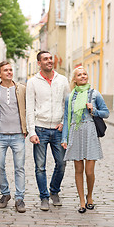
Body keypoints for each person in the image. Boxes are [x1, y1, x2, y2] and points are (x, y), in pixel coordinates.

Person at [61, 66, 109, 213]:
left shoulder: (95, 94)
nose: (83, 76)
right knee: (78, 170)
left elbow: (106, 113)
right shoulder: (70, 97)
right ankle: (82, 201)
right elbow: (66, 118)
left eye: (85, 74)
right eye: (79, 75)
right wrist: (64, 138)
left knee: (89, 172)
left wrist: (93, 110)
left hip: (90, 133)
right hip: (75, 133)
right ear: (74, 79)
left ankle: (90, 196)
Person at [26, 51, 70, 211]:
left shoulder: (62, 80)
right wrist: (32, 132)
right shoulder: (32, 82)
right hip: (40, 128)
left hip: (58, 129)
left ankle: (54, 191)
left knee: (62, 163)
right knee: (40, 166)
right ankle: (44, 197)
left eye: (51, 58)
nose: (49, 61)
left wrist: (64, 123)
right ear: (39, 63)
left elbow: (68, 105)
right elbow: (29, 108)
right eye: (45, 59)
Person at [0, 61, 27, 213]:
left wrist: (27, 129)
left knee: (19, 168)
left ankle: (20, 198)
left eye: (11, 70)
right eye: (6, 70)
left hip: (18, 134)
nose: (9, 72)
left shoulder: (22, 89)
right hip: (0, 135)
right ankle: (5, 194)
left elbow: (28, 108)